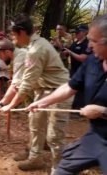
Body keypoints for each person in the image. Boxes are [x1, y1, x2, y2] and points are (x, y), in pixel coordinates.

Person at [28, 13, 107, 175]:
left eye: (93, 41)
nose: (89, 46)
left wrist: (103, 112)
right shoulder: (92, 62)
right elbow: (70, 87)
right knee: (62, 170)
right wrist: (43, 102)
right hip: (96, 137)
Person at [0, 14, 70, 173]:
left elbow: (26, 85)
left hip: (60, 91)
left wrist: (10, 105)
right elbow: (20, 82)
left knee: (54, 135)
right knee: (35, 125)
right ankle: (36, 158)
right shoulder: (31, 48)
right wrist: (4, 103)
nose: (12, 38)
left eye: (13, 34)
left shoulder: (36, 49)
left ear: (21, 32)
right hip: (43, 90)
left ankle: (59, 169)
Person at [62, 24, 92, 110]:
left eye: (78, 32)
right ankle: (74, 108)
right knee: (73, 88)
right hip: (74, 69)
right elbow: (68, 53)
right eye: (75, 32)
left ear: (84, 33)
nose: (76, 34)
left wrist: (70, 52)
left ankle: (79, 110)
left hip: (84, 70)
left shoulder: (87, 44)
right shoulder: (75, 43)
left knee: (80, 91)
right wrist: (65, 52)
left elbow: (83, 58)